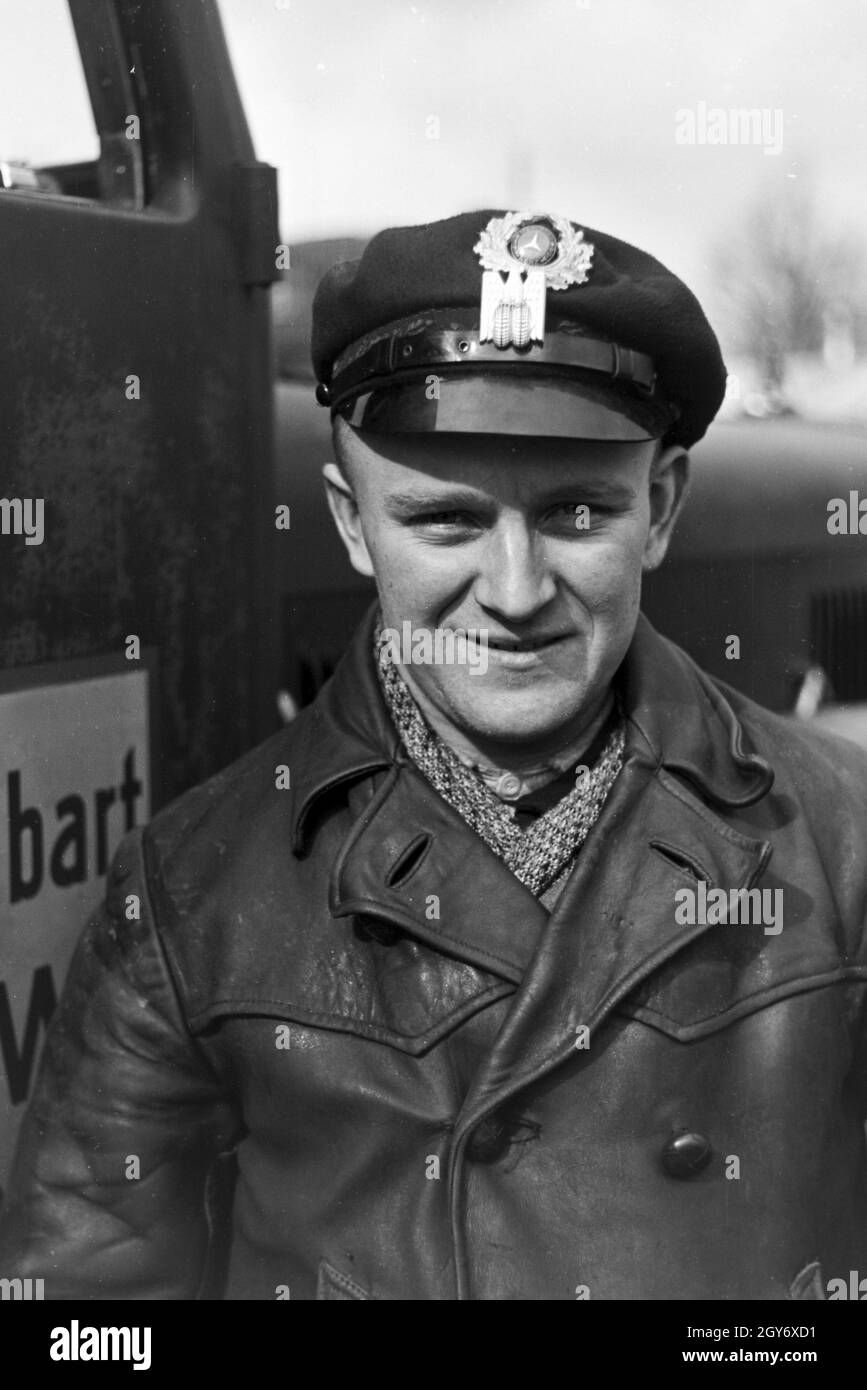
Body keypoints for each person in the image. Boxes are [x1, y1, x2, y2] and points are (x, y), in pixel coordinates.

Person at [2, 209, 866, 1301]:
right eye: (446, 522)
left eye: (577, 513)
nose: (514, 594)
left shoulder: (840, 845)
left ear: (660, 509)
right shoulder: (191, 899)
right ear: (354, 525)